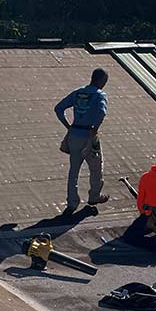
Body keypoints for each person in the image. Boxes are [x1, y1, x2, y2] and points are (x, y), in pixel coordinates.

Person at [54, 68, 110, 215]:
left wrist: (68, 126)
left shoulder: (78, 92)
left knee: (74, 170)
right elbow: (101, 113)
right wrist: (95, 128)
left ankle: (72, 203)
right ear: (101, 80)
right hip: (89, 136)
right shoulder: (100, 95)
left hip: (74, 134)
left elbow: (59, 108)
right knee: (96, 168)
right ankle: (94, 196)